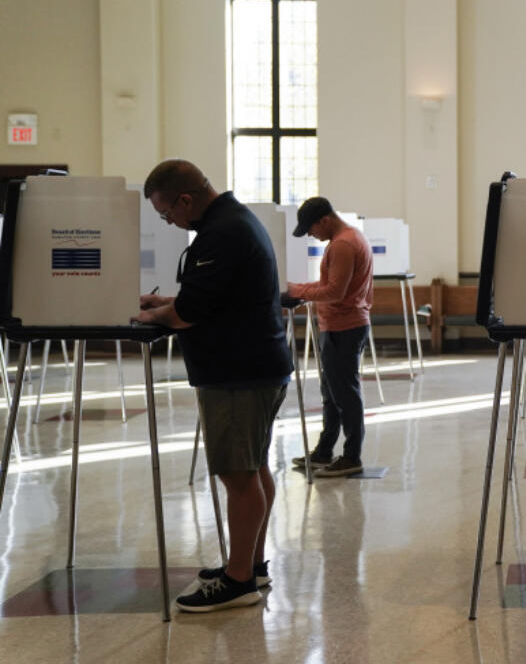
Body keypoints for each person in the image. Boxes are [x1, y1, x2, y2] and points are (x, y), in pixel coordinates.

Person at [135, 160, 293, 612]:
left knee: (237, 475)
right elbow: (216, 295)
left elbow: (191, 312)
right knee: (253, 466)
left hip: (237, 374)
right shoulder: (233, 221)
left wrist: (152, 314)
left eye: (167, 213)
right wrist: (168, 301)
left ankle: (238, 579)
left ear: (185, 199)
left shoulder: (222, 233)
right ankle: (250, 564)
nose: (170, 222)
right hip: (255, 367)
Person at [286, 197, 375, 478]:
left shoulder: (343, 244)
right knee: (332, 394)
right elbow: (329, 285)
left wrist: (297, 293)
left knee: (345, 394)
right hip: (340, 326)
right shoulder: (348, 239)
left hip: (343, 328)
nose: (312, 235)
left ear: (325, 220)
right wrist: (297, 288)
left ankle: (351, 457)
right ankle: (324, 451)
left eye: (311, 229)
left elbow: (334, 292)